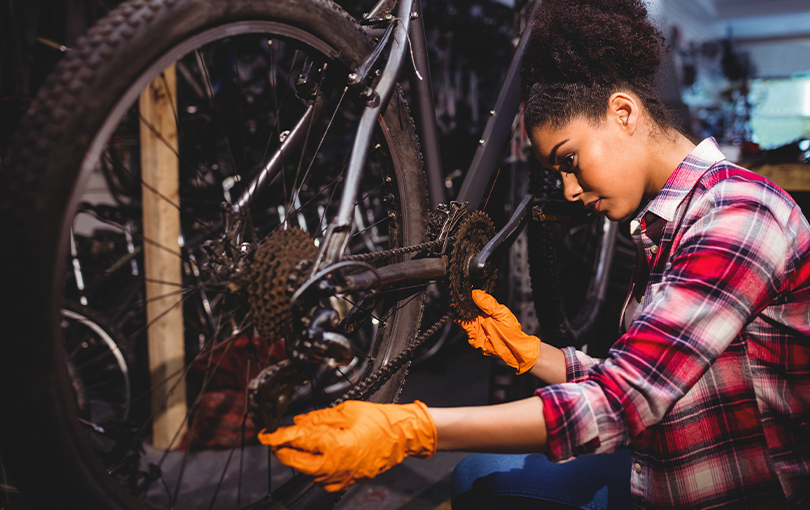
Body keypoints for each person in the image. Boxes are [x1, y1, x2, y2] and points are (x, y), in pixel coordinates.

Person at [258, 0, 810, 507]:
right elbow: (662, 376)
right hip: (671, 470)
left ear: (623, 113)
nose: (569, 190)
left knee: (481, 476)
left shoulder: (738, 214)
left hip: (742, 493)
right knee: (480, 475)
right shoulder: (674, 219)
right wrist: (535, 354)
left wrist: (414, 429)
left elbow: (625, 402)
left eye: (569, 160)